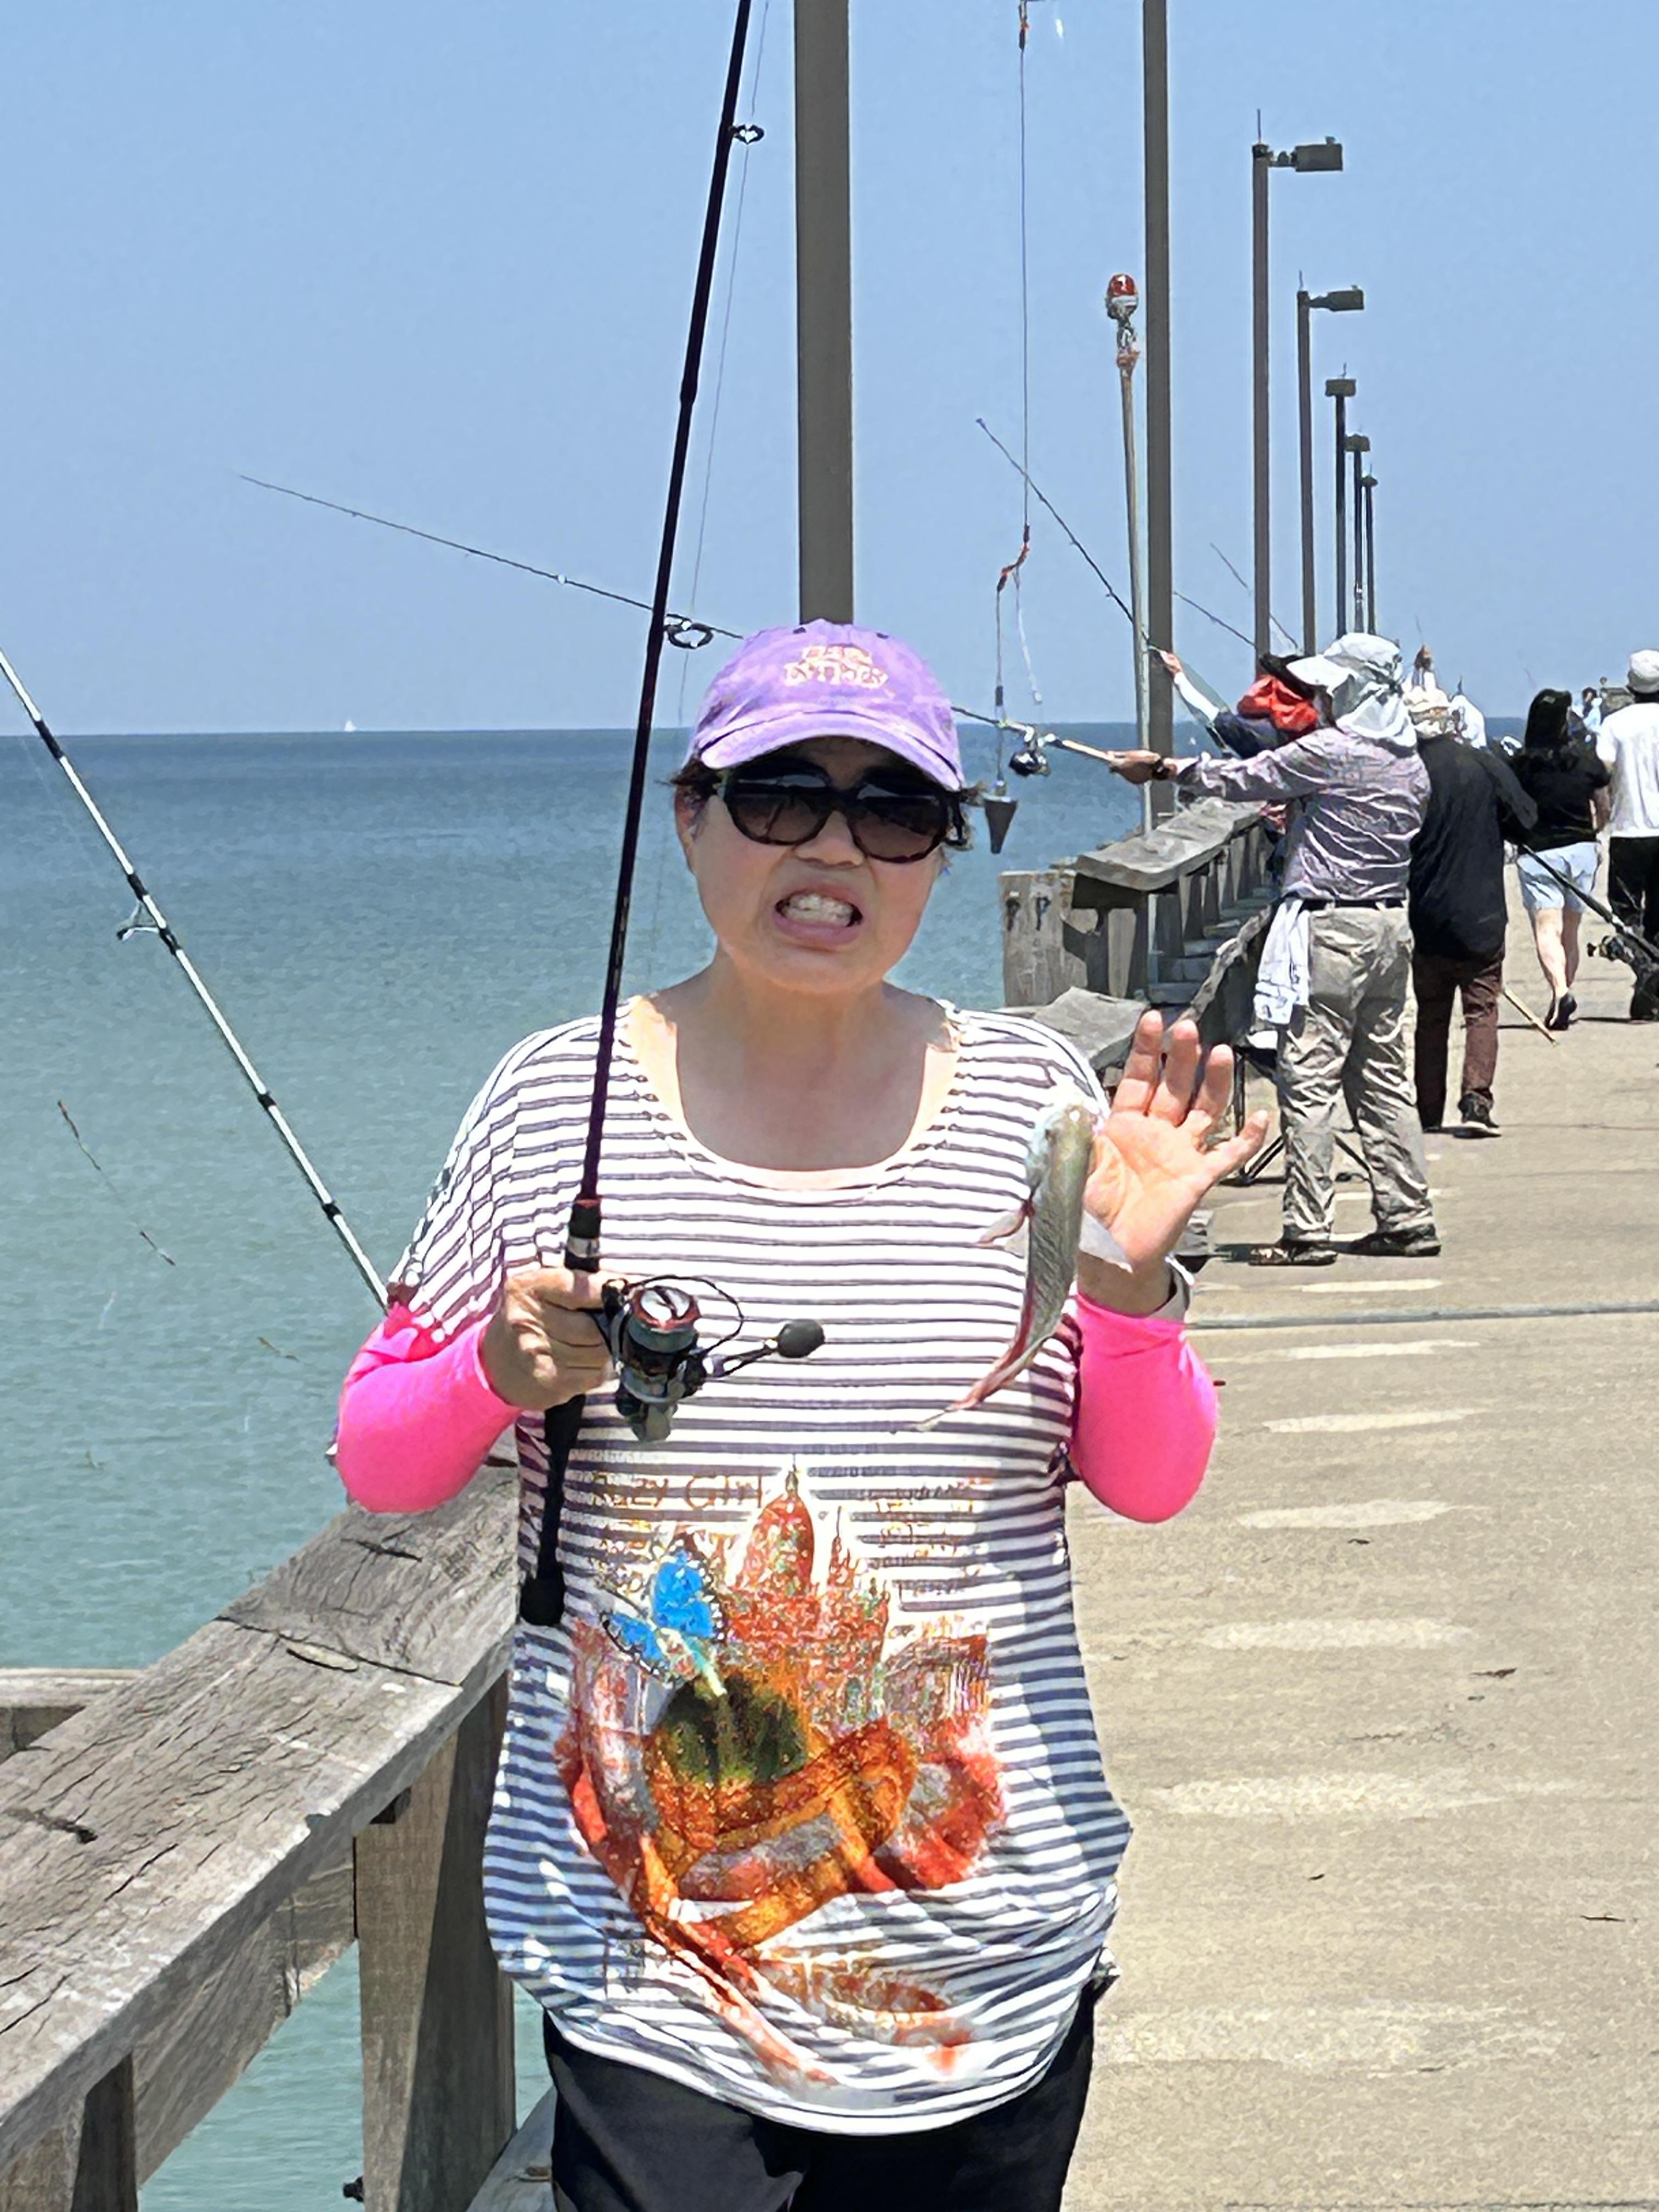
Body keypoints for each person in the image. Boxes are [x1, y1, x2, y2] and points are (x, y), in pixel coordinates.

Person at [331, 622, 1266, 2212]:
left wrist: (1127, 1292)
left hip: (987, 1956)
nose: (834, 848)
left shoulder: (1037, 1101)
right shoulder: (556, 1103)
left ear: (940, 853)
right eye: (779, 797)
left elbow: (1154, 1478)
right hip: (646, 1961)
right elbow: (381, 1455)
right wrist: (493, 1371)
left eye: (895, 811)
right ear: (691, 820)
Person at [1111, 633, 1440, 1266]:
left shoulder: (1334, 751)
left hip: (1330, 928)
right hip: (1389, 926)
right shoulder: (1409, 762)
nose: (1319, 698)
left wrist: (1162, 768)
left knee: (1309, 1079)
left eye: (1328, 689)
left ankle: (1307, 1231)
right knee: (1383, 1080)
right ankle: (1408, 1217)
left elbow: (1247, 777)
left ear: (1350, 691)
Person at [1406, 691, 1537, 1136]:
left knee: (1431, 1015)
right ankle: (1476, 1099)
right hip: (1481, 911)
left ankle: (1428, 1110)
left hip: (1427, 912)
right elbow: (1526, 818)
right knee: (1481, 1009)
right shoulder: (1482, 763)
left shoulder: (1407, 772)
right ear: (1450, 721)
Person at [1510, 688, 1611, 1029]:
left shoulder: (1521, 765)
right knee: (1571, 931)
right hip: (1581, 850)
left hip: (1539, 853)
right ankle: (1563, 995)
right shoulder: (1585, 761)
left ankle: (1560, 991)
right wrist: (1595, 832)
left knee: (1546, 928)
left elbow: (1510, 806)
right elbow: (1604, 806)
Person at [1595, 649, 1659, 1015]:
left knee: (1626, 915)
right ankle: (1653, 986)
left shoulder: (1615, 724)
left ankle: (1645, 973)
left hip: (1628, 828)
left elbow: (1602, 775)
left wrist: (1601, 816)